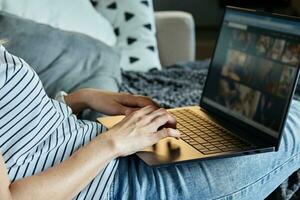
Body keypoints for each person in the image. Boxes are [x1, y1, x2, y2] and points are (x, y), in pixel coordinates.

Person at [0, 44, 300, 200]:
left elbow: (18, 127)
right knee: (288, 118)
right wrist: (112, 143)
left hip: (107, 151)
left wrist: (80, 99)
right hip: (120, 188)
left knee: (245, 119)